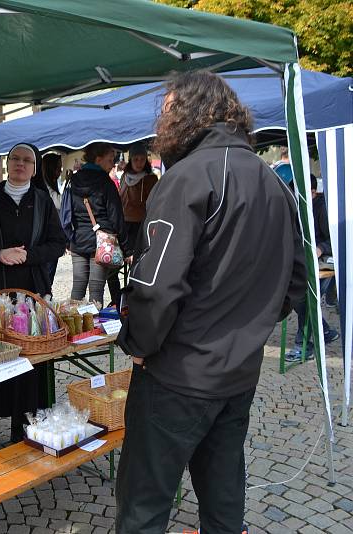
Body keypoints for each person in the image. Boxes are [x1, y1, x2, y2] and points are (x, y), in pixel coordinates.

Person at [115, 71, 306, 534]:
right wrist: (246, 326)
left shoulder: (188, 177)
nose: (162, 120)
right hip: (237, 373)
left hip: (178, 374)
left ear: (188, 113)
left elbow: (156, 286)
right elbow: (294, 281)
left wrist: (138, 342)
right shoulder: (273, 181)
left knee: (144, 501)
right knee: (223, 496)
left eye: (167, 109)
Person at [0, 142, 66, 456]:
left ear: (35, 167)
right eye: (15, 159)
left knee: (27, 363)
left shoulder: (43, 201)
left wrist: (28, 256)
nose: (20, 164)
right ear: (6, 164)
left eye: (27, 160)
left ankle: (21, 424)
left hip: (31, 294)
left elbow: (58, 244)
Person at [68, 142, 131, 306]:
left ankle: (77, 329)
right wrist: (127, 249)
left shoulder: (73, 180)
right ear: (98, 159)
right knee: (96, 290)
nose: (113, 164)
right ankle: (93, 328)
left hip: (78, 240)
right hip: (102, 242)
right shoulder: (106, 183)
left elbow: (66, 212)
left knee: (77, 289)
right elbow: (116, 218)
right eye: (110, 160)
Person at [285, 173, 339, 362]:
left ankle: (304, 345)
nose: (295, 197)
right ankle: (324, 331)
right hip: (305, 262)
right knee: (301, 298)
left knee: (305, 297)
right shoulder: (297, 207)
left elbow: (336, 240)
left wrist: (320, 248)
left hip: (326, 266)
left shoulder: (323, 209)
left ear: (313, 192)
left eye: (299, 193)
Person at [119, 143, 158, 255]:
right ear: (130, 160)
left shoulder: (150, 178)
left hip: (141, 224)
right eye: (136, 159)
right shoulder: (124, 176)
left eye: (142, 159)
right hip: (124, 224)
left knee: (138, 257)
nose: (139, 163)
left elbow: (153, 202)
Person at [32, 152, 63, 285]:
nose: (60, 171)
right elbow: (59, 203)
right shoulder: (44, 188)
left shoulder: (48, 185)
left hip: (47, 239)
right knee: (45, 280)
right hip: (45, 240)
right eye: (59, 168)